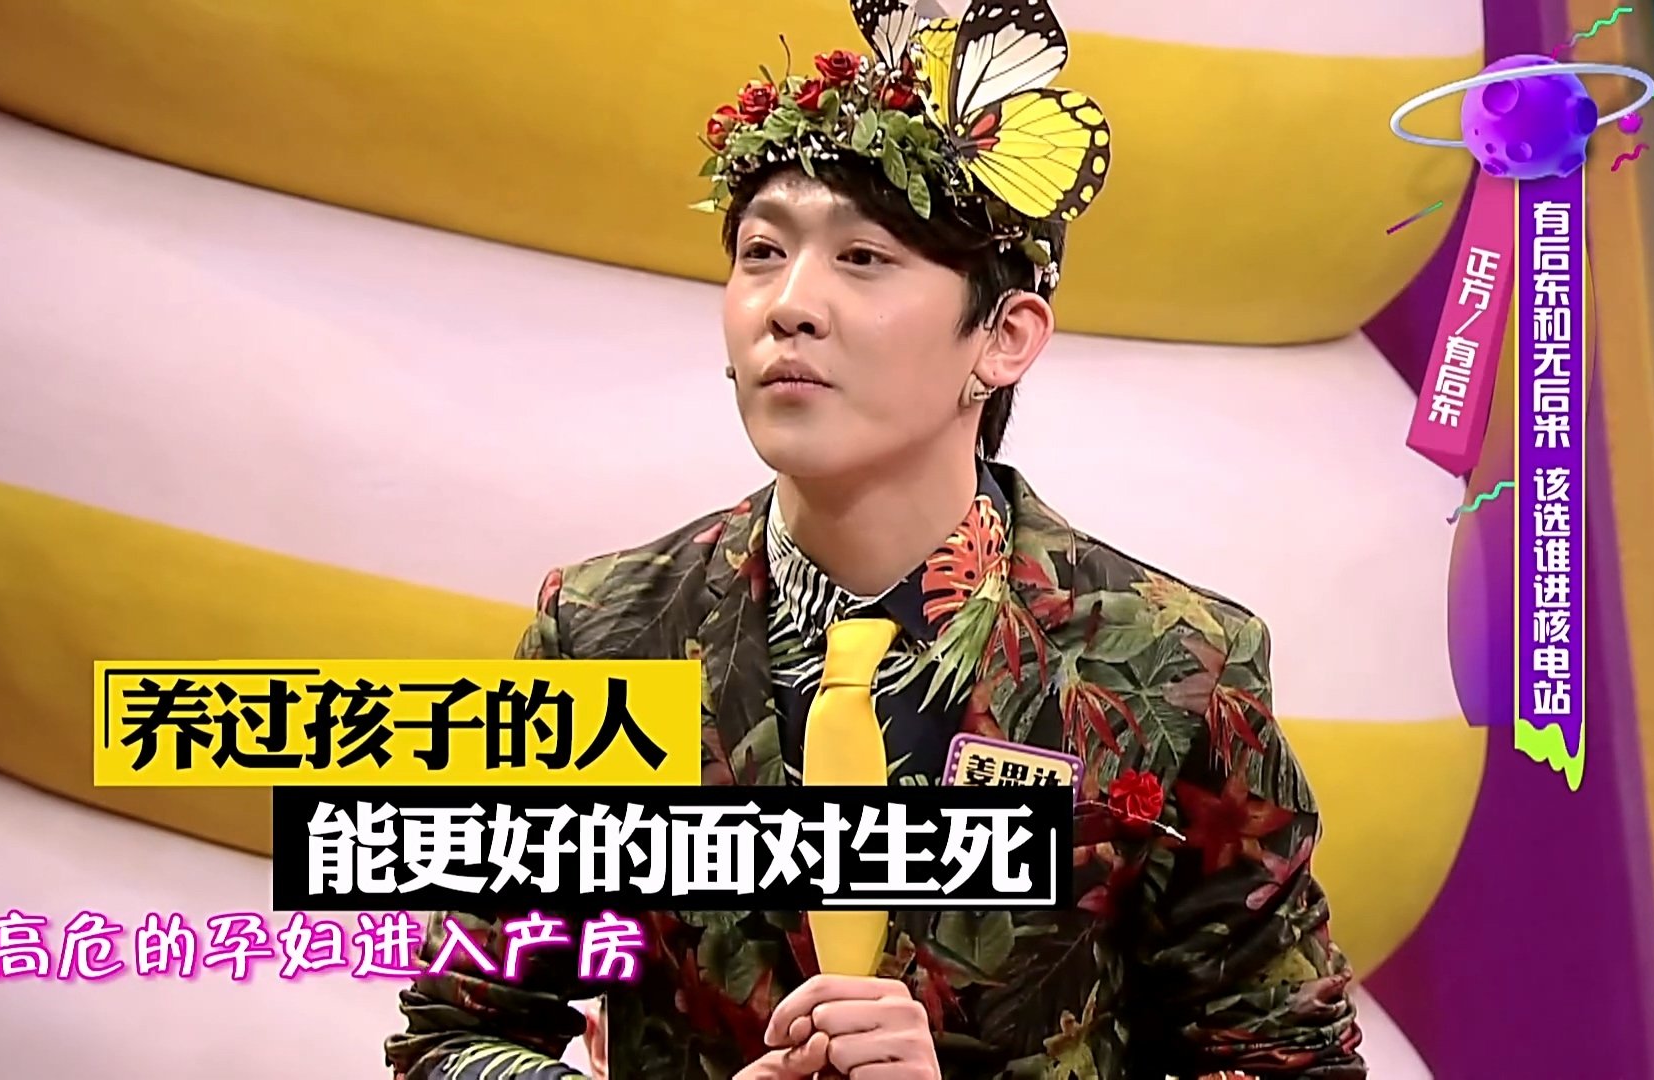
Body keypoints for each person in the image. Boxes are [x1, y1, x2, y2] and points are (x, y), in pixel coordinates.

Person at [387, 1, 1364, 1076]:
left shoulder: (1173, 667)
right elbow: (456, 1031)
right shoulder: (603, 634)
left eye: (862, 258)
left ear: (1003, 338)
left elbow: (1289, 1061)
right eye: (762, 252)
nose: (788, 306)